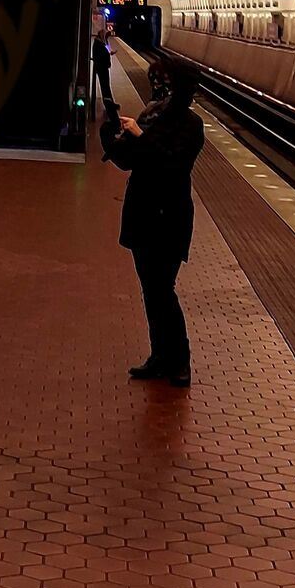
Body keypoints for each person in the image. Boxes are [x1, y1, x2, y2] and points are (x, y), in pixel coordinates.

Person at [100, 59, 204, 387]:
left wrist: (140, 135)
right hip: (142, 214)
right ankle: (159, 356)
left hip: (169, 217)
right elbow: (127, 160)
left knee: (163, 289)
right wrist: (110, 135)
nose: (161, 89)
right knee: (151, 290)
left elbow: (172, 165)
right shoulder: (151, 114)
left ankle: (180, 359)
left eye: (168, 83)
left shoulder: (191, 124)